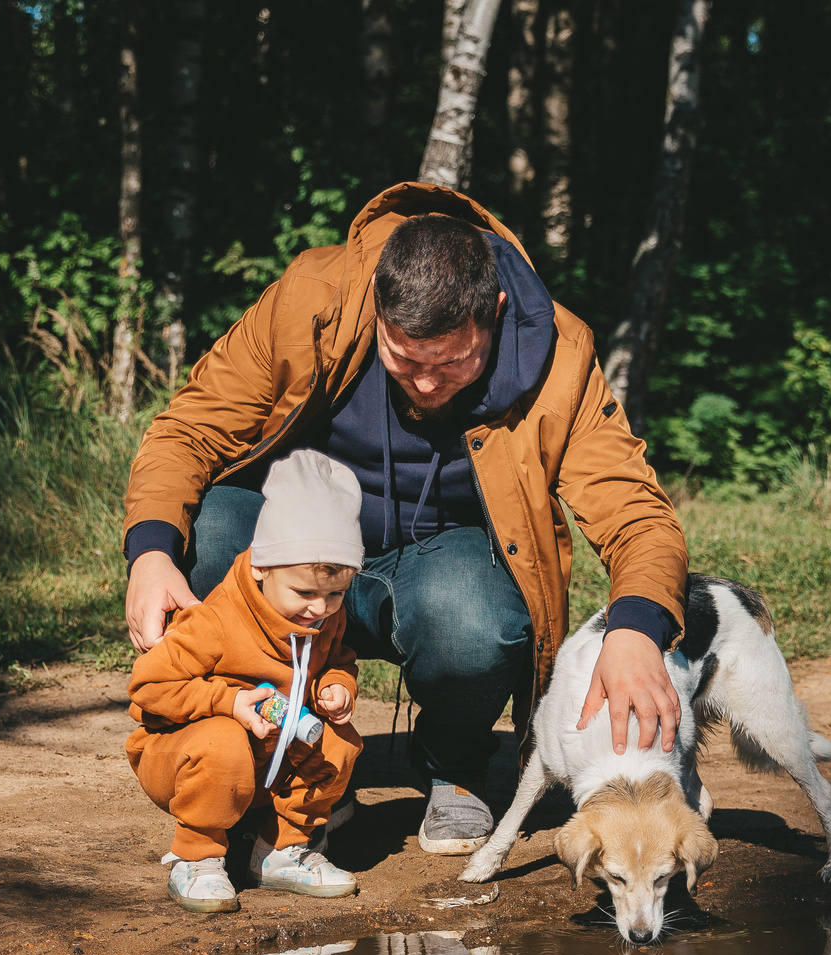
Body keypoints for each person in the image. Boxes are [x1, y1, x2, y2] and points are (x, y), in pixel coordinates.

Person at [121, 183, 689, 860]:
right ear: (378, 310)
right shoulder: (315, 297)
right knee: (210, 531)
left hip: (443, 563)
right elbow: (187, 430)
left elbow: (636, 512)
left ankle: (453, 766)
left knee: (477, 621)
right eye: (404, 359)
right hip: (304, 544)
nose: (425, 384)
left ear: (495, 312)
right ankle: (279, 755)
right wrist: (151, 552)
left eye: (452, 362)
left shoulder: (560, 355)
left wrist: (635, 626)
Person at [127, 448, 367, 913]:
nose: (320, 608)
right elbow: (149, 688)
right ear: (260, 566)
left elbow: (339, 659)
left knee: (340, 742)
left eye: (336, 594)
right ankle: (196, 856)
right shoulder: (215, 622)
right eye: (304, 592)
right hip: (183, 757)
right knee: (223, 742)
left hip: (269, 757)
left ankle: (281, 850)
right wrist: (227, 702)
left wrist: (335, 686)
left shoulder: (322, 621)